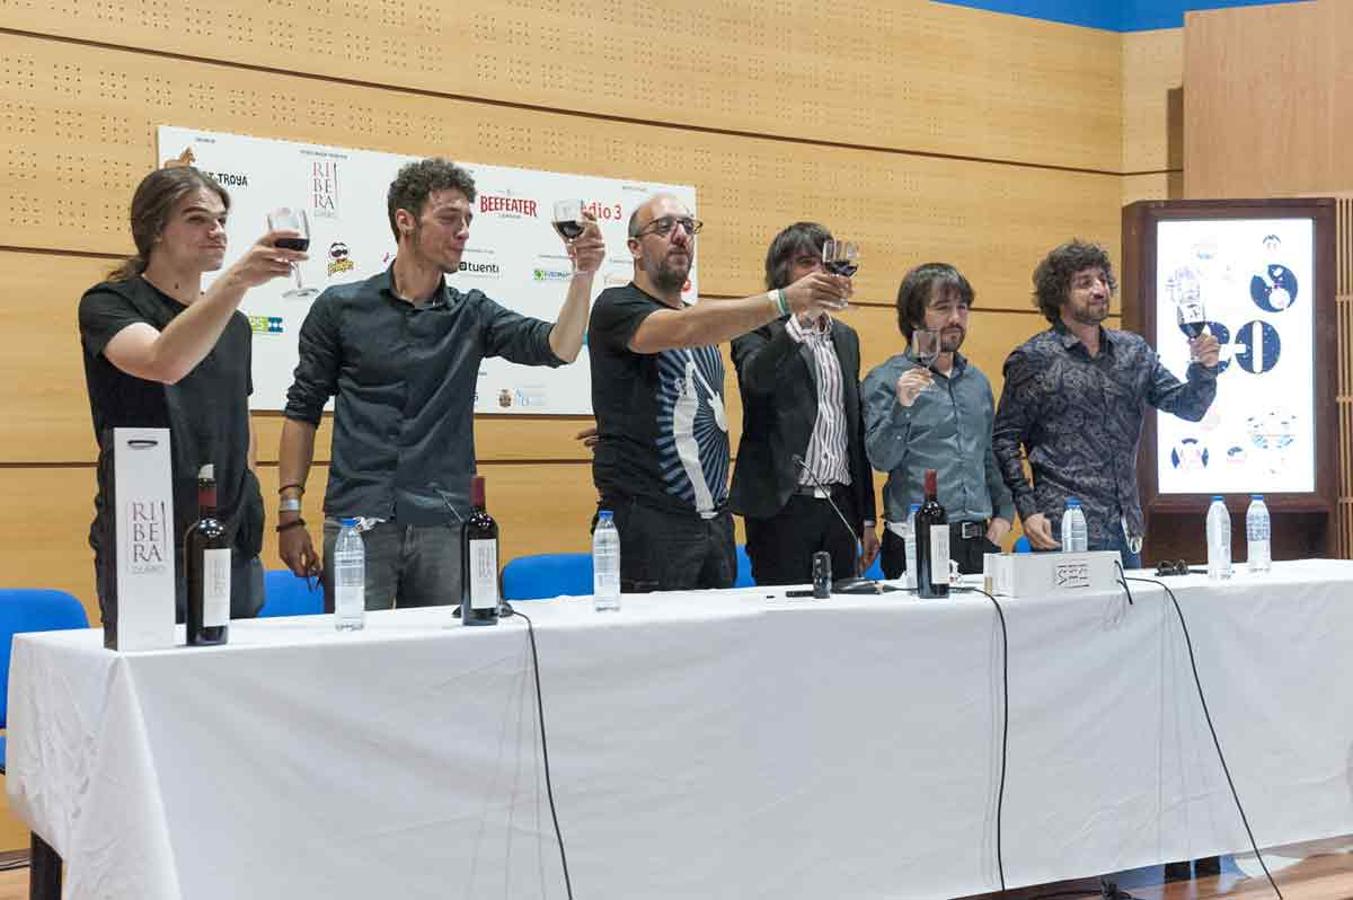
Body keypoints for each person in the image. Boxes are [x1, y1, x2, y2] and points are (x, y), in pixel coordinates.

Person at [277, 157, 605, 608]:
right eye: (449, 218)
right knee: (355, 650)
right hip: (359, 521)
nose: (464, 231)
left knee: (448, 651)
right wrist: (289, 513)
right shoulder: (339, 308)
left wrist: (583, 275)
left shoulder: (472, 313)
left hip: (445, 524)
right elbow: (302, 410)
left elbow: (560, 348)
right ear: (405, 221)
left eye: (468, 219)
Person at [588, 194, 851, 592]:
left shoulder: (704, 324)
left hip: (714, 524)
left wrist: (619, 424)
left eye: (687, 226)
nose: (680, 235)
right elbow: (683, 329)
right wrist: (785, 300)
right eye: (664, 227)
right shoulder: (617, 305)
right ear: (634, 248)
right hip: (650, 524)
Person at [79, 166, 304, 627]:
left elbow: (238, 418)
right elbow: (163, 361)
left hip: (231, 535)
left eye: (221, 220)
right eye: (198, 219)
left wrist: (247, 491)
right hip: (147, 535)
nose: (216, 231)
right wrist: (237, 281)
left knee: (234, 666)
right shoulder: (110, 303)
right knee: (152, 664)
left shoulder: (235, 325)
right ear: (155, 229)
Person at [992, 240, 1220, 568]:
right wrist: (1027, 509)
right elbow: (1004, 439)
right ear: (1059, 295)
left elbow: (1190, 407)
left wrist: (1205, 369)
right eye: (1085, 283)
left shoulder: (1133, 351)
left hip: (1125, 527)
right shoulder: (1034, 358)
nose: (1099, 289)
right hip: (1063, 527)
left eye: (1102, 280)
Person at [729, 222, 878, 585]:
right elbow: (756, 381)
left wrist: (867, 518)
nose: (820, 272)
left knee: (841, 615)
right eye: (807, 262)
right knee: (785, 616)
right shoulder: (756, 326)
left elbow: (852, 428)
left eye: (826, 263)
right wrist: (801, 320)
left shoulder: (846, 337)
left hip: (840, 506)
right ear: (782, 273)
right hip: (783, 506)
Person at [862, 263, 1014, 577]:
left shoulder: (977, 382)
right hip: (916, 541)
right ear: (914, 317)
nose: (956, 318)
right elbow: (881, 459)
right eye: (943, 308)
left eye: (963, 307)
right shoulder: (885, 379)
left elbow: (986, 454)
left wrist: (1004, 513)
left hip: (978, 540)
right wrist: (902, 407)